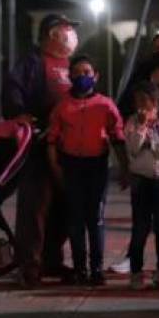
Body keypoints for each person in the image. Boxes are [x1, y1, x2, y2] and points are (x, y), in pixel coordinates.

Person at [3, 13, 80, 286]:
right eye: (67, 28)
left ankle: (53, 260)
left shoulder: (73, 64)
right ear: (51, 34)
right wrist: (20, 114)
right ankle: (30, 265)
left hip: (68, 147)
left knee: (64, 205)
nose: (71, 33)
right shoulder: (32, 62)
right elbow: (13, 90)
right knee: (36, 206)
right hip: (38, 144)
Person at [48, 55, 125, 286]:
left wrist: (126, 168)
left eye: (87, 72)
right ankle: (80, 269)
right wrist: (55, 168)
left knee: (96, 219)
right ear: (70, 76)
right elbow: (51, 140)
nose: (83, 77)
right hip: (71, 165)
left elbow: (118, 137)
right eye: (78, 73)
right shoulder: (62, 106)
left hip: (97, 166)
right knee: (75, 220)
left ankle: (97, 269)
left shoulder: (105, 104)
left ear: (96, 76)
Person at [124, 81, 159, 290]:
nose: (140, 106)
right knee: (140, 227)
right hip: (140, 179)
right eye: (136, 101)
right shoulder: (131, 122)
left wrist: (153, 144)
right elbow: (133, 149)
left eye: (144, 101)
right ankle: (136, 272)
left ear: (155, 102)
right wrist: (141, 127)